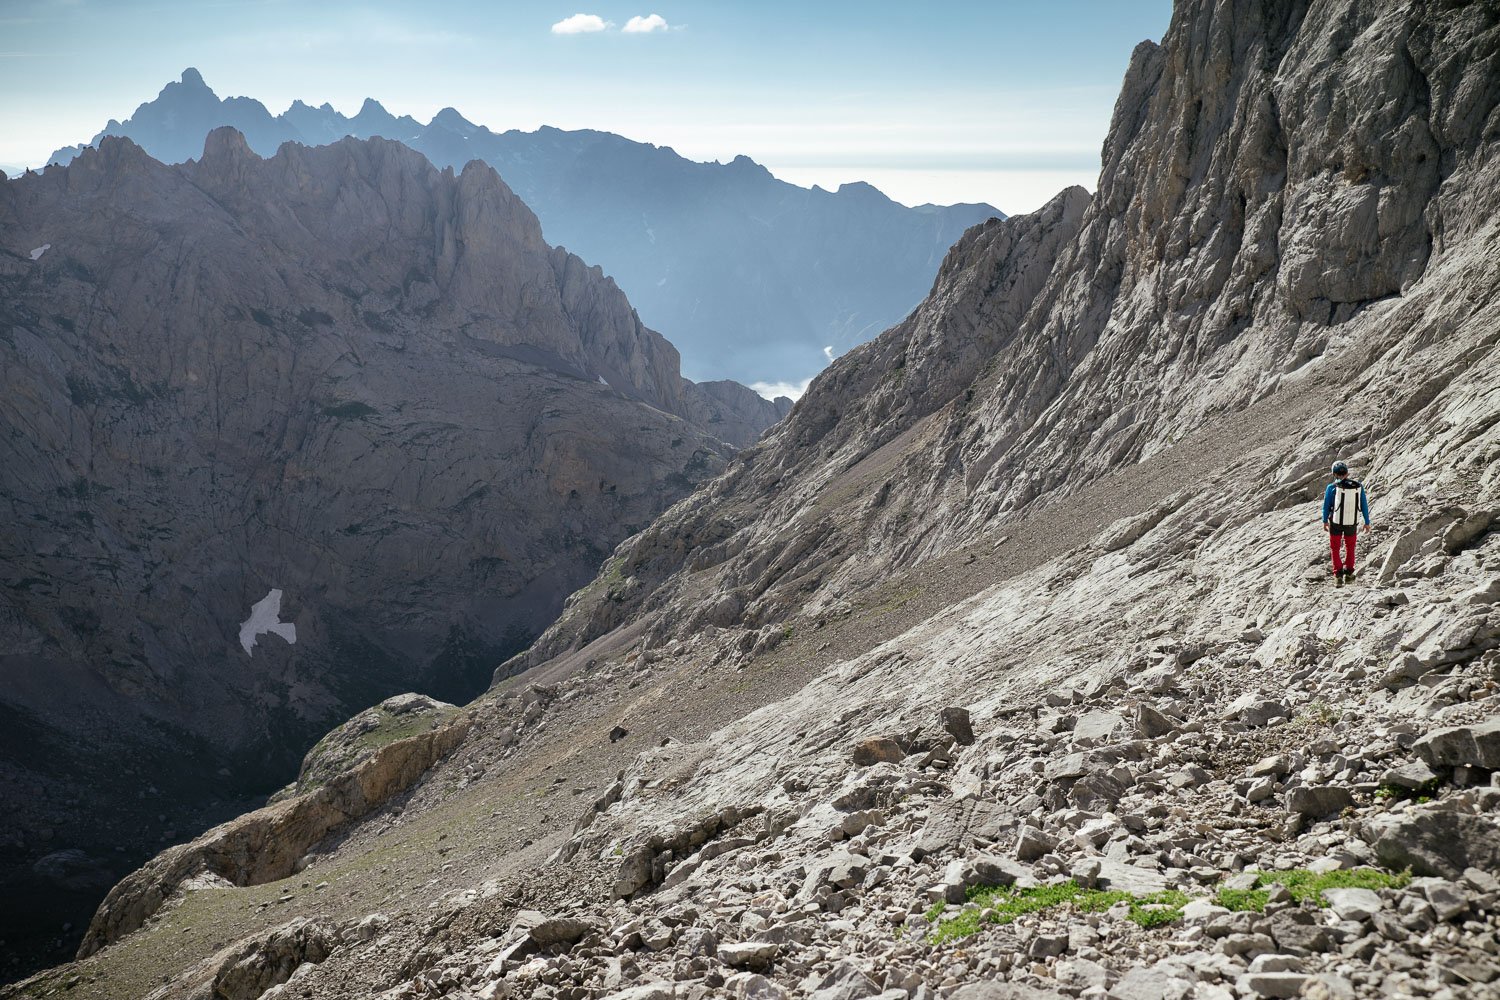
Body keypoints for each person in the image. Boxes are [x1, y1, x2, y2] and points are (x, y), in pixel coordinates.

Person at [1322, 461, 1373, 586]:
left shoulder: (1331, 487)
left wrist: (1324, 521)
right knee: (1350, 547)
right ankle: (1349, 574)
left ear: (1334, 474)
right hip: (1351, 522)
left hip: (1335, 522)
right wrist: (1367, 522)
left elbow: (1326, 506)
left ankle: (1338, 575)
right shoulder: (1357, 486)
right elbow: (1364, 506)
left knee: (1335, 548)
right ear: (1347, 473)